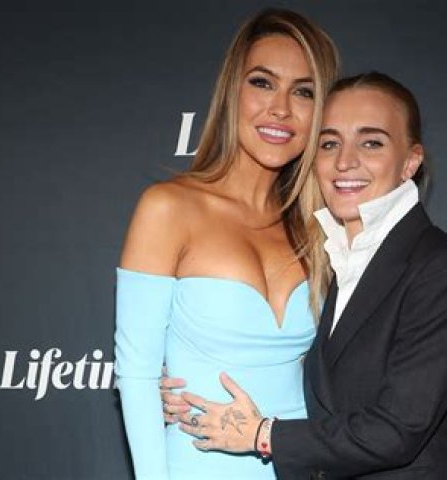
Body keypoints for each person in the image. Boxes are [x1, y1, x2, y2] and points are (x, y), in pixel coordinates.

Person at [170, 72, 447, 479]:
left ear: (410, 162)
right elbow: (319, 386)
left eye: (371, 143)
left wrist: (263, 435)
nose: (344, 161)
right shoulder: (329, 260)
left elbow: (397, 430)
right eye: (329, 143)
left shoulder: (444, 267)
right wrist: (187, 384)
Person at [114, 9, 339, 479]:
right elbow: (137, 376)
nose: (281, 109)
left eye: (303, 91)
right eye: (262, 83)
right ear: (231, 91)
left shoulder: (322, 228)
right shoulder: (168, 208)